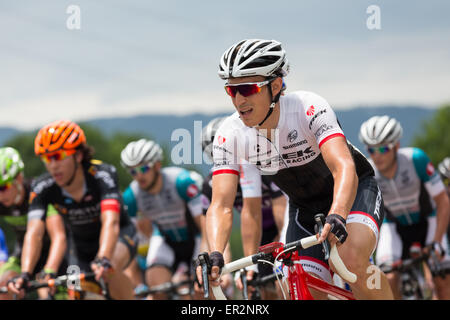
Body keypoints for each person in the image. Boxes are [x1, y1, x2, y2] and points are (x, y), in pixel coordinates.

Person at [196, 38, 393, 300]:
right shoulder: (229, 134)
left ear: (275, 86)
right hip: (305, 208)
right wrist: (216, 252)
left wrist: (338, 214)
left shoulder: (307, 107)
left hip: (354, 191)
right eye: (231, 91)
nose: (239, 100)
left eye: (247, 88)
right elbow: (221, 205)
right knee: (300, 285)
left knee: (350, 260)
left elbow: (343, 166)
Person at [7, 120, 137, 300]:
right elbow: (34, 233)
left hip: (118, 237)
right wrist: (25, 274)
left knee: (109, 270)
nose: (52, 165)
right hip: (79, 247)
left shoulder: (102, 175)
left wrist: (103, 257)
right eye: (46, 158)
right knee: (75, 292)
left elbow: (111, 221)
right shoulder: (43, 186)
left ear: (78, 156)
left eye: (58, 156)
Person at [359, 115, 450, 299]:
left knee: (443, 279)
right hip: (394, 226)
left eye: (383, 148)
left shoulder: (416, 160)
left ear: (396, 146)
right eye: (371, 149)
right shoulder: (368, 172)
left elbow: (442, 202)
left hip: (427, 221)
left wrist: (438, 241)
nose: (377, 155)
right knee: (389, 277)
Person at [201, 116, 286, 299]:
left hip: (280, 226)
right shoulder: (210, 184)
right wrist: (222, 267)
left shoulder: (262, 168)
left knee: (283, 284)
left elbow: (282, 216)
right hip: (255, 235)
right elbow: (216, 234)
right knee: (257, 289)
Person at [120, 139, 205, 299]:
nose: (139, 175)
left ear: (157, 165)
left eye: (143, 168)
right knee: (156, 287)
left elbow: (205, 226)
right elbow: (128, 242)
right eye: (133, 171)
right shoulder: (131, 196)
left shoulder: (181, 181)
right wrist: (137, 283)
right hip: (166, 240)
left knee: (199, 290)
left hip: (195, 238)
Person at [0, 147, 66, 300]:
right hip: (24, 254)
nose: (0, 195)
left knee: (49, 294)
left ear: (19, 179)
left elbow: (59, 237)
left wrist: (50, 270)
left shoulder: (38, 193)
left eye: (4, 187)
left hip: (56, 255)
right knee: (3, 286)